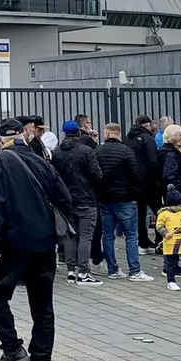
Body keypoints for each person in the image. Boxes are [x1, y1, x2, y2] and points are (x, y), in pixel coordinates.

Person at [0, 118, 71, 361]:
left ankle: (12, 348)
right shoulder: (41, 161)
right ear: (23, 135)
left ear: (0, 139)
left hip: (13, 242)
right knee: (42, 304)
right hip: (44, 243)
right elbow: (64, 198)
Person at [92, 123, 151, 282]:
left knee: (108, 235)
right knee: (131, 235)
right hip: (125, 198)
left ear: (107, 133)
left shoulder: (98, 151)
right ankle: (135, 271)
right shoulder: (126, 151)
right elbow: (135, 175)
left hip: (105, 199)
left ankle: (112, 269)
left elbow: (94, 175)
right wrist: (136, 192)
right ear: (119, 133)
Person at [51, 120, 101, 286]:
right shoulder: (86, 151)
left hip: (67, 200)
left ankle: (71, 271)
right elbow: (97, 174)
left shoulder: (57, 152)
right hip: (86, 198)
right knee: (86, 236)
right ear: (78, 133)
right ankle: (84, 272)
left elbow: (55, 176)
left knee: (71, 235)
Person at [126, 116, 161, 250]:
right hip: (149, 181)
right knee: (159, 210)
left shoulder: (128, 138)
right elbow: (153, 160)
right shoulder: (147, 138)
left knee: (140, 213)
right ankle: (160, 240)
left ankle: (143, 241)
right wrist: (157, 178)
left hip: (134, 180)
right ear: (147, 125)